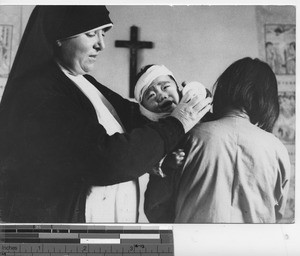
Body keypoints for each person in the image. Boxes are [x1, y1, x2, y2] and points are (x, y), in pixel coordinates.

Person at [0, 6, 212, 223]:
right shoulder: (39, 90)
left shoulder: (82, 82)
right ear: (58, 37)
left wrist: (194, 96)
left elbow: (139, 117)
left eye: (103, 33)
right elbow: (107, 159)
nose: (101, 44)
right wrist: (178, 122)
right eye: (91, 34)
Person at [144, 57, 291, 223]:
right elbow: (277, 213)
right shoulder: (277, 149)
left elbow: (156, 209)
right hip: (255, 246)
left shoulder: (189, 137)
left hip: (195, 244)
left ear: (223, 89)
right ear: (267, 100)